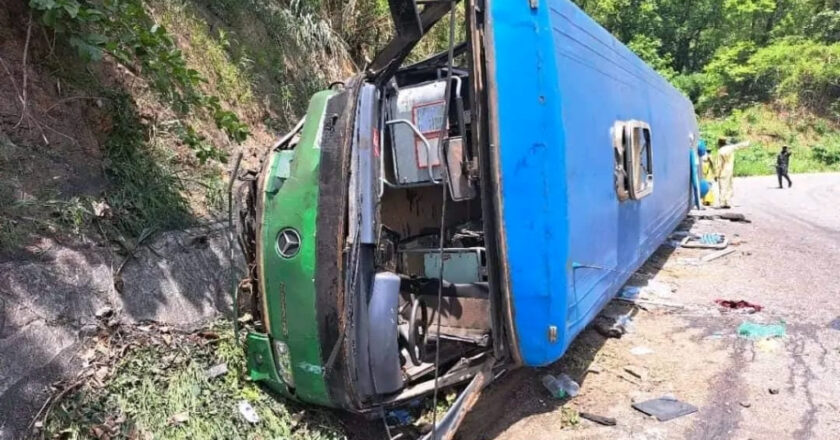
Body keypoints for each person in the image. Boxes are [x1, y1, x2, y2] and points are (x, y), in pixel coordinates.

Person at [712, 137, 750, 209]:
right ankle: (727, 201)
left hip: (722, 171)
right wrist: (747, 143)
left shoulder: (720, 151)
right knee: (729, 186)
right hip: (730, 170)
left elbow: (718, 164)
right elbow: (739, 146)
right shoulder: (730, 148)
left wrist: (716, 174)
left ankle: (722, 202)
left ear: (720, 143)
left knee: (722, 187)